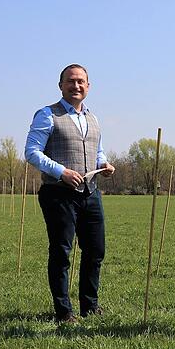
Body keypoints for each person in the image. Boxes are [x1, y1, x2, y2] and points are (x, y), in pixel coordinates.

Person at [25, 64, 115, 323]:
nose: (76, 86)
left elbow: (97, 151)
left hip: (90, 193)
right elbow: (32, 152)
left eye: (81, 82)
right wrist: (61, 171)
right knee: (62, 252)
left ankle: (90, 304)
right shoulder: (47, 115)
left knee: (95, 251)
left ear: (88, 86)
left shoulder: (93, 118)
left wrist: (103, 165)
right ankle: (63, 311)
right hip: (58, 193)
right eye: (70, 81)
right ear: (61, 85)